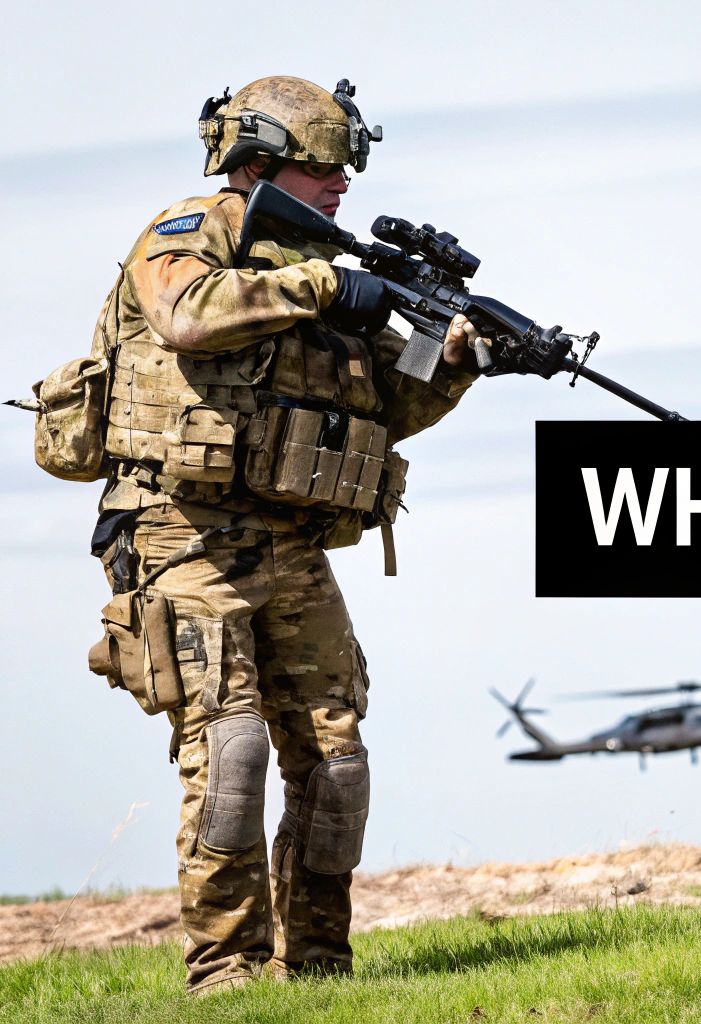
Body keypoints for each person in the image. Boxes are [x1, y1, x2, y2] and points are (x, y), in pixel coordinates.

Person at [81, 76, 488, 994]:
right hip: (184, 531)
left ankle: (316, 965)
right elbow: (187, 316)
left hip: (291, 543)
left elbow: (383, 408)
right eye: (322, 166)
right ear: (259, 161)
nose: (341, 183)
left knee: (336, 762)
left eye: (345, 167)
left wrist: (455, 363)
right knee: (231, 750)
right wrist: (323, 285)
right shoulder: (195, 232)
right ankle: (224, 970)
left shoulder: (327, 275)